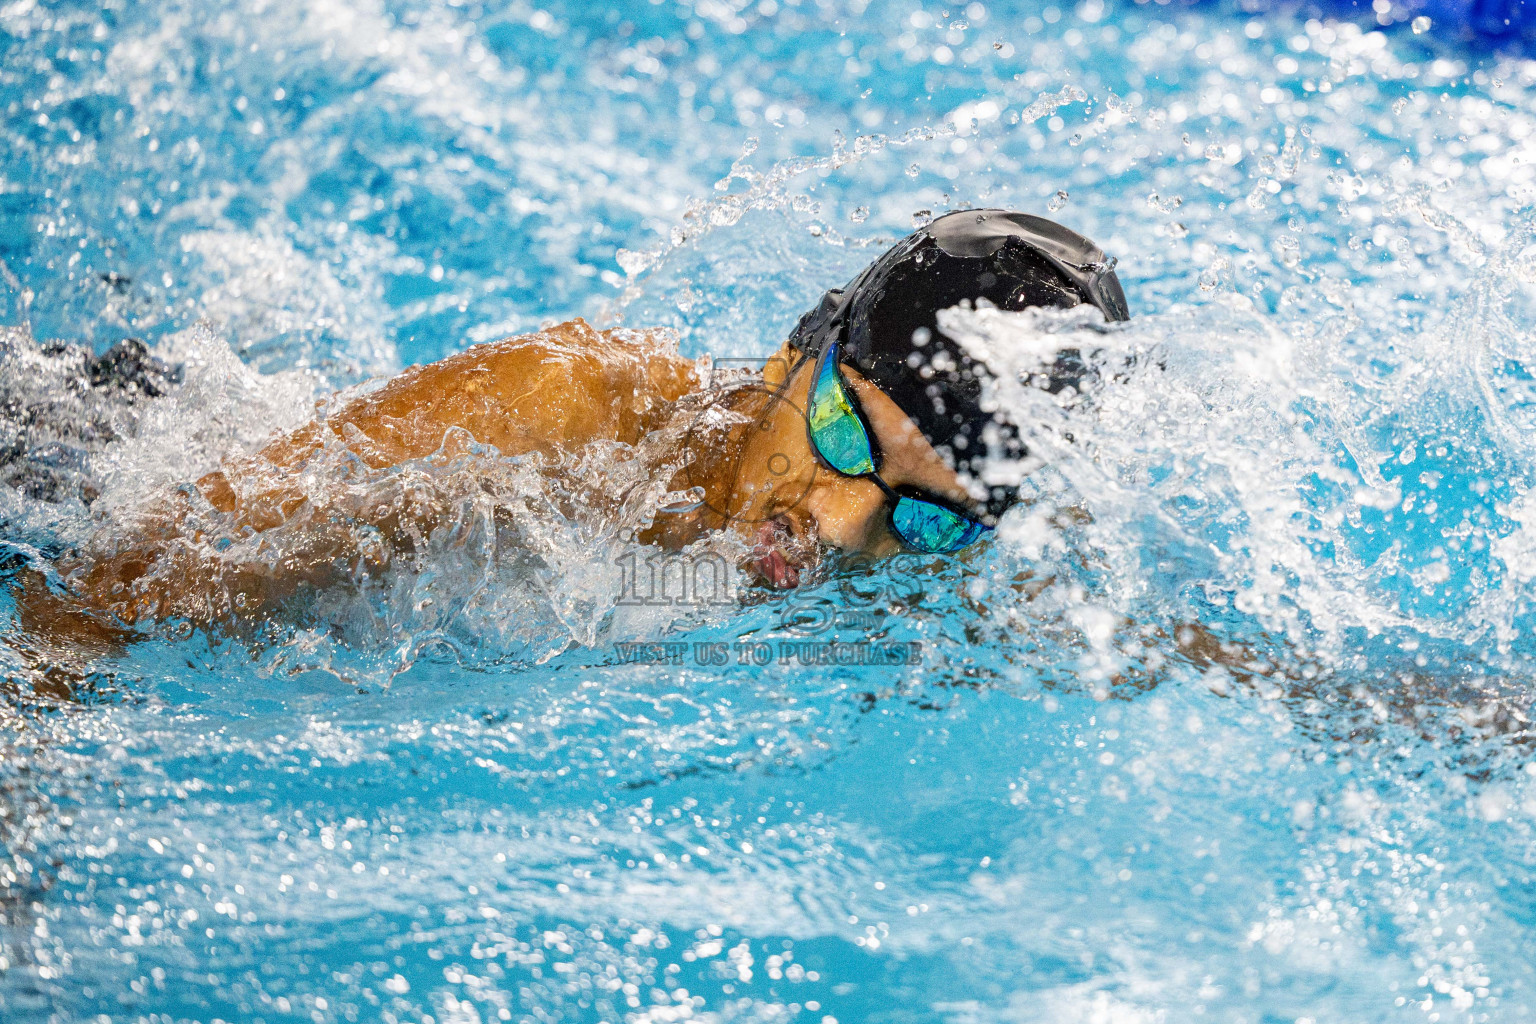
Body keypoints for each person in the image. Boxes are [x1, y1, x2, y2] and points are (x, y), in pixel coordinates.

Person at [14, 209, 1128, 645]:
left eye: (923, 521)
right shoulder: (564, 413)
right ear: (804, 347)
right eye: (844, 436)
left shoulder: (931, 583)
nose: (836, 528)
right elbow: (114, 581)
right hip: (74, 453)